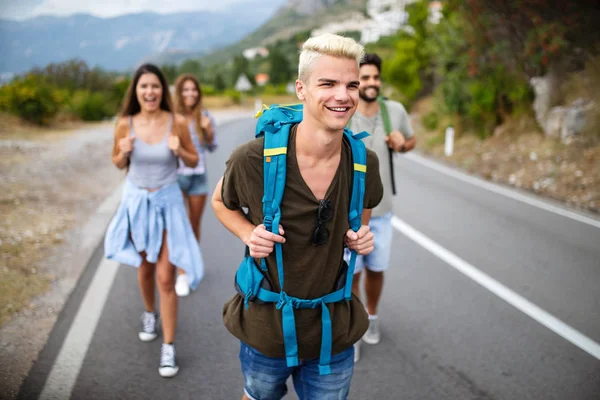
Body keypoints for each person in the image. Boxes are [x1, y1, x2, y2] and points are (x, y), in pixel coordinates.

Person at [212, 33, 383, 400]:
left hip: (333, 329)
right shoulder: (253, 159)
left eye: (352, 85)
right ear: (301, 89)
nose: (344, 95)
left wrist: (361, 233)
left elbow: (363, 214)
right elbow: (219, 201)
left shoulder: (364, 163)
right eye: (328, 83)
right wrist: (247, 233)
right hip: (267, 327)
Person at [104, 63, 204, 378]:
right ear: (136, 91)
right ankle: (150, 314)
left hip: (169, 203)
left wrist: (179, 150)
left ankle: (169, 347)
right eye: (144, 86)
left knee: (165, 276)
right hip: (137, 204)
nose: (150, 92)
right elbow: (118, 161)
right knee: (144, 269)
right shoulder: (125, 124)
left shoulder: (178, 122)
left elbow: (194, 159)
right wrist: (122, 152)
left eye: (155, 86)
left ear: (163, 90)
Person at [345, 53, 416, 362]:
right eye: (365, 77)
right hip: (349, 213)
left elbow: (411, 142)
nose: (371, 83)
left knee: (376, 269)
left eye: (375, 77)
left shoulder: (394, 111)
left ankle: (372, 317)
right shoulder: (344, 110)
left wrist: (402, 143)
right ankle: (356, 327)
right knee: (352, 273)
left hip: (383, 211)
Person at [173, 73, 217, 297]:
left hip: (199, 176)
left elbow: (212, 147)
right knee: (179, 226)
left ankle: (189, 265)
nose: (190, 94)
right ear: (179, 93)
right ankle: (181, 272)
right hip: (176, 176)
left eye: (194, 90)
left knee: (193, 225)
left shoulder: (205, 115)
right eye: (186, 90)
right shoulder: (172, 118)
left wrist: (207, 130)